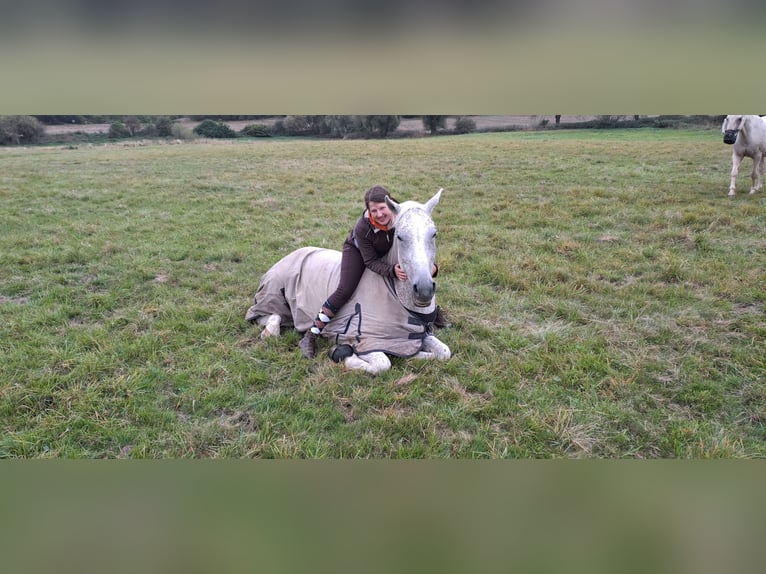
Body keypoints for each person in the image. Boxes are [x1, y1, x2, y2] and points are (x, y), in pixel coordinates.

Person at [299, 185, 451, 359]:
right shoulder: (363, 228)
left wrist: (434, 267)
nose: (379, 214)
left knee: (418, 277)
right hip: (361, 253)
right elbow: (370, 261)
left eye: (382, 208)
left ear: (390, 205)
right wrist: (391, 271)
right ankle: (312, 334)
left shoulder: (402, 214)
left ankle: (432, 313)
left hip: (388, 250)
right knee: (345, 289)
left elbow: (417, 245)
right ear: (368, 210)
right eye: (374, 210)